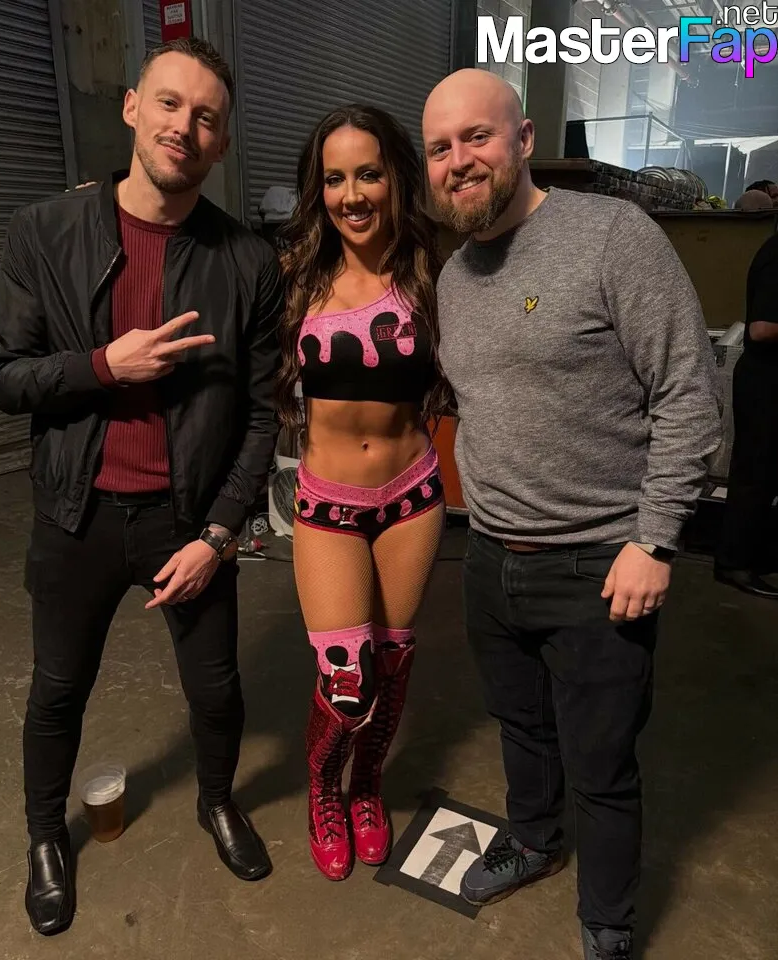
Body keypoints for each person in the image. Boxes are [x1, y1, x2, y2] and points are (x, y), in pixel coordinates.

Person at [0, 38, 283, 936]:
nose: (183, 127)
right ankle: (45, 837)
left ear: (221, 141)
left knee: (216, 690)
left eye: (205, 117)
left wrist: (218, 535)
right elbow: (3, 377)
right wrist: (103, 365)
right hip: (75, 516)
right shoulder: (45, 231)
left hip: (186, 525)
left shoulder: (246, 262)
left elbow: (261, 417)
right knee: (57, 689)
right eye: (169, 103)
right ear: (131, 107)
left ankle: (217, 801)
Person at [422, 70, 722, 960]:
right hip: (489, 557)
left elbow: (688, 394)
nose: (457, 161)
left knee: (601, 763)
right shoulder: (453, 276)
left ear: (522, 140)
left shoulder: (611, 237)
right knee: (521, 727)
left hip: (599, 564)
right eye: (438, 148)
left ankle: (607, 920)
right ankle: (532, 840)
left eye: (476, 137)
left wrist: (653, 540)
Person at [274, 104, 451, 881]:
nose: (351, 194)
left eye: (368, 174)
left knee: (393, 661)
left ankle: (367, 787)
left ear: (395, 180)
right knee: (348, 681)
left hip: (411, 495)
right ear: (317, 191)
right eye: (334, 178)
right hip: (328, 504)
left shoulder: (432, 272)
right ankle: (322, 789)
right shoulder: (293, 276)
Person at [714, 232, 778, 598]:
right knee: (755, 473)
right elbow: (762, 329)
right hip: (766, 381)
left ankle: (755, 554)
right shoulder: (776, 256)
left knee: (768, 474)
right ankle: (733, 563)